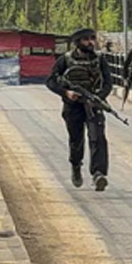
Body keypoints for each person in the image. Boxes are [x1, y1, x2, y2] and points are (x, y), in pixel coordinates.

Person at [46, 27, 113, 191]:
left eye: (92, 38)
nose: (91, 42)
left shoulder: (99, 59)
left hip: (94, 105)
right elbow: (51, 81)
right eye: (86, 39)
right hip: (73, 106)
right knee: (76, 141)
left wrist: (99, 98)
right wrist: (66, 93)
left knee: (98, 138)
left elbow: (108, 83)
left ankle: (98, 174)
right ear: (78, 42)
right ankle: (76, 166)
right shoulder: (65, 60)